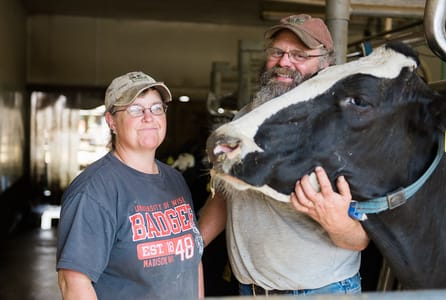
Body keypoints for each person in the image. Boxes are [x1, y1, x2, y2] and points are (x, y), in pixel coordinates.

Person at [199, 14, 369, 296]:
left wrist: (335, 220)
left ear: (324, 62)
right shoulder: (245, 120)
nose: (284, 62)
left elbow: (360, 238)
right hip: (250, 290)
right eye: (277, 52)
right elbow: (227, 194)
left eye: (298, 55)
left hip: (320, 292)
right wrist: (189, 246)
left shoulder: (345, 129)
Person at [56, 71, 204, 300]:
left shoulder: (175, 180)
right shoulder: (94, 190)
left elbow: (192, 259)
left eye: (156, 108)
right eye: (135, 109)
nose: (148, 117)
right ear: (111, 121)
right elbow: (73, 281)